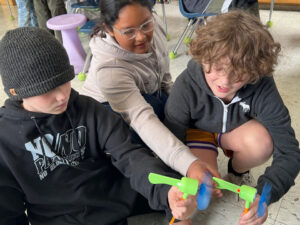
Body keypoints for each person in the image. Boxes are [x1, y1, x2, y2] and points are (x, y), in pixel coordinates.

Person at [0, 27, 197, 225]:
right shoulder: (5, 139)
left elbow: (130, 156)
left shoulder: (88, 108)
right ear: (16, 92)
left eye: (64, 81)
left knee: (169, 182)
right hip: (59, 218)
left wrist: (167, 195)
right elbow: (8, 209)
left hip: (111, 198)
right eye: (46, 91)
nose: (61, 96)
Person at [164, 10, 300, 225]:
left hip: (235, 130)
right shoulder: (187, 84)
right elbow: (170, 145)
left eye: (238, 74)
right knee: (200, 184)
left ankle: (237, 170)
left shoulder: (262, 85)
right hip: (197, 131)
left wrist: (266, 195)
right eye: (217, 68)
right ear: (203, 57)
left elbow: (289, 151)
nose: (224, 82)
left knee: (262, 142)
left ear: (255, 70)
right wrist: (175, 201)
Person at [81, 0, 220, 192]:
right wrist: (189, 164)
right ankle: (162, 181)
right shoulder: (109, 69)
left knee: (187, 101)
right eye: (128, 31)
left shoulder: (154, 27)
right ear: (110, 29)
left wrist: (184, 108)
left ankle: (173, 154)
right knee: (141, 142)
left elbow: (165, 80)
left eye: (146, 24)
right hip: (111, 113)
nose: (141, 37)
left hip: (149, 95)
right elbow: (142, 119)